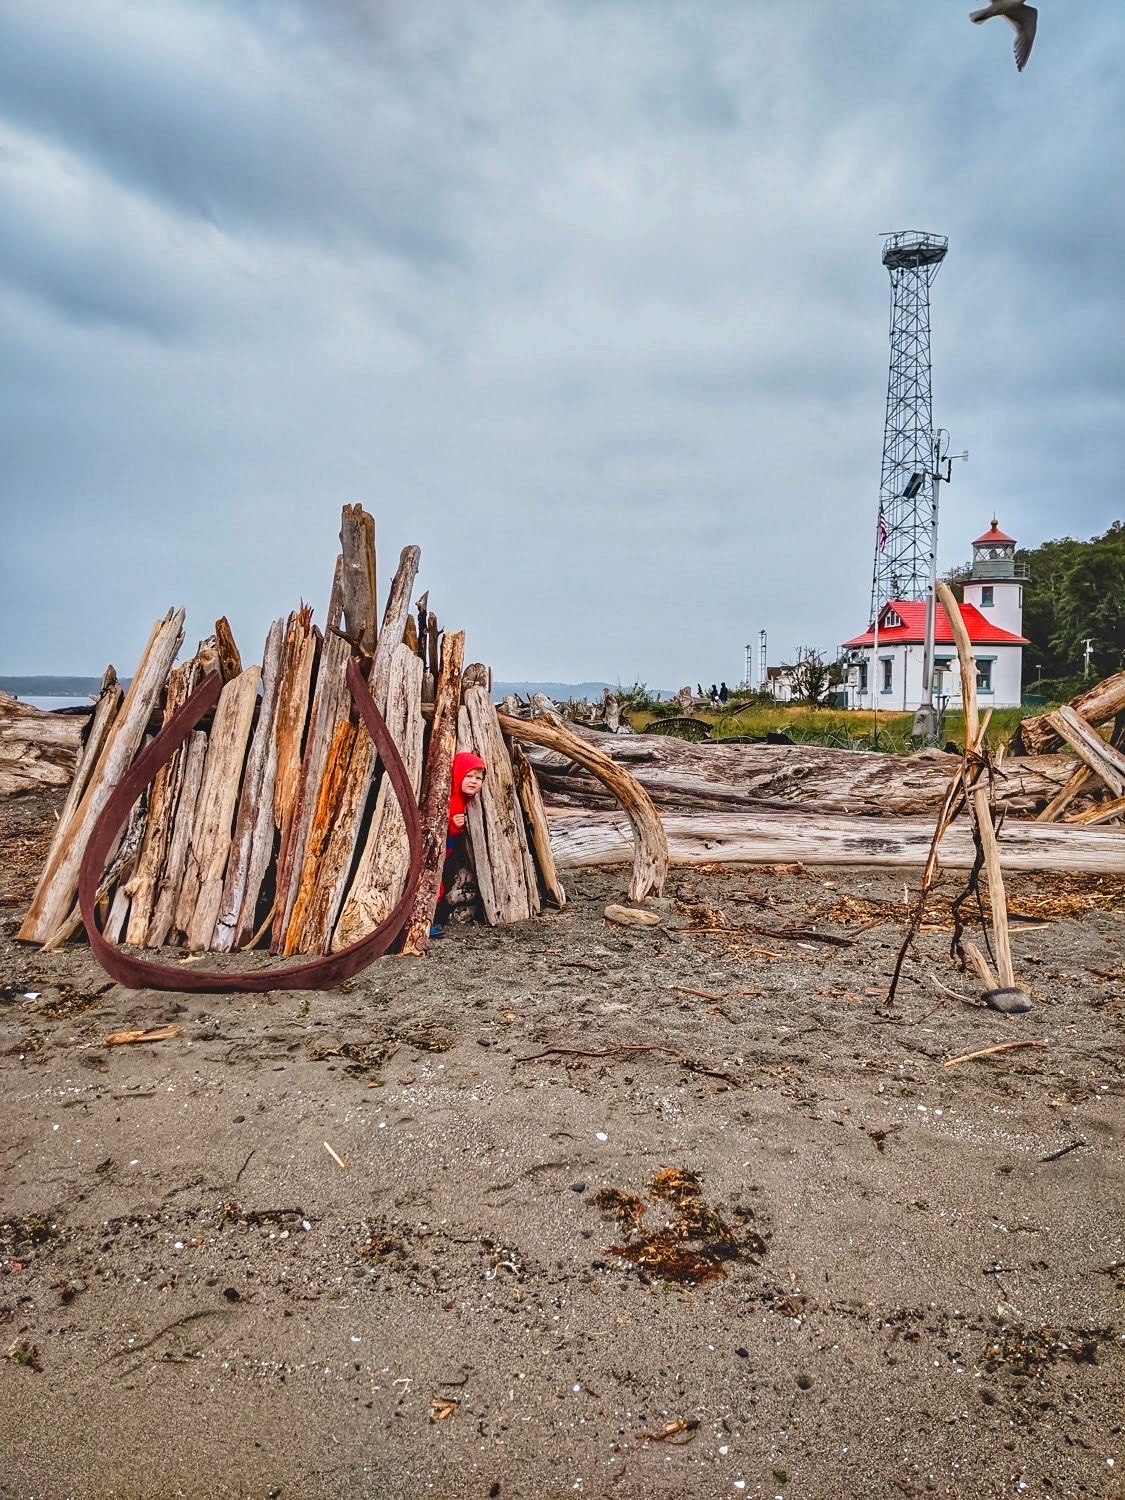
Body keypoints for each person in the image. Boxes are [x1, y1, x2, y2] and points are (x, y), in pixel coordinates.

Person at [432, 751, 486, 936]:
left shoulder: (462, 799)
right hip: (434, 854)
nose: (474, 781)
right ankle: (424, 924)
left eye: (478, 778)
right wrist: (453, 825)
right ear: (457, 775)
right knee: (433, 886)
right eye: (468, 775)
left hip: (445, 853)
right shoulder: (452, 799)